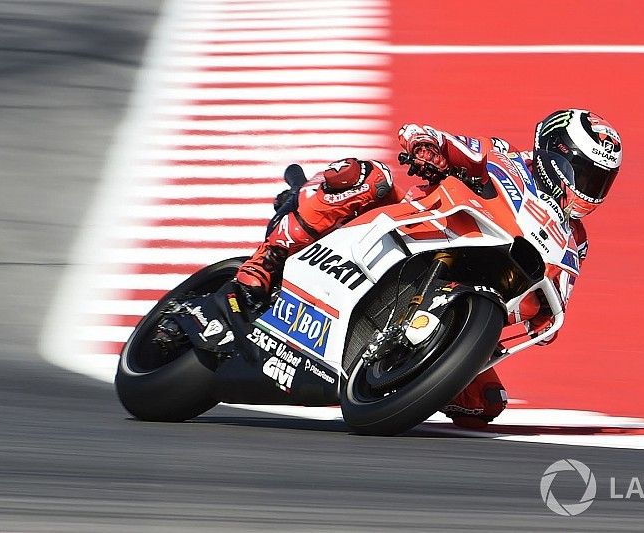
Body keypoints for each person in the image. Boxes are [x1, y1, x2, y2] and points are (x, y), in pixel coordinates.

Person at [236, 109, 623, 428]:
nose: (589, 188)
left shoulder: (577, 240)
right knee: (368, 177)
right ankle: (267, 259)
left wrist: (536, 323)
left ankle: (403, 370)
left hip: (473, 293)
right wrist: (428, 150)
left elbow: (552, 309)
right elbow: (434, 139)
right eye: (584, 173)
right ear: (554, 154)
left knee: (486, 404)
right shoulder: (504, 158)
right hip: (414, 234)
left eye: (599, 180)